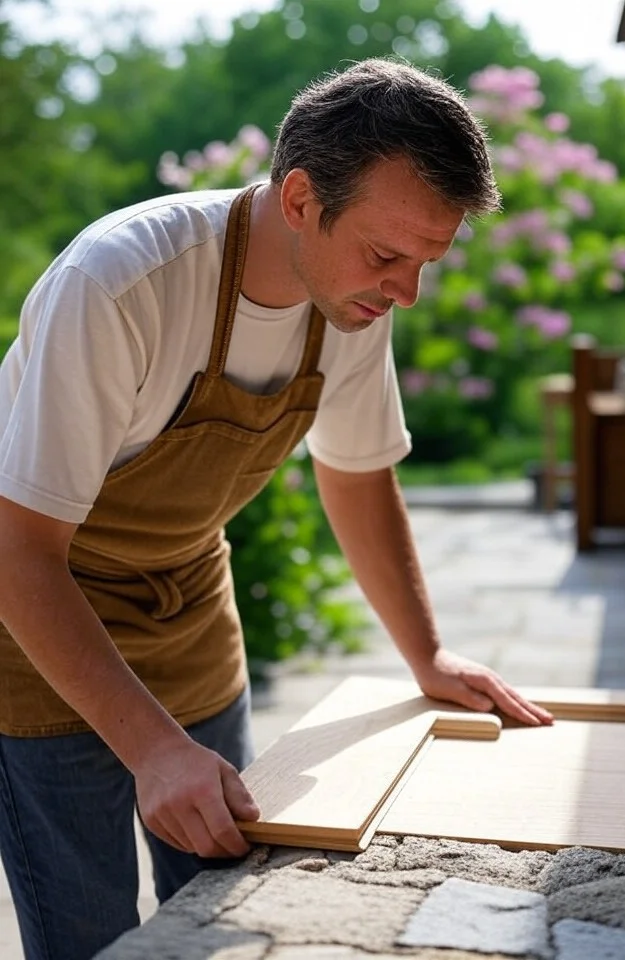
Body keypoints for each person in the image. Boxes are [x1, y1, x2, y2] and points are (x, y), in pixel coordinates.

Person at [0, 57, 553, 960]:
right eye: (387, 256)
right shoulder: (118, 284)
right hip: (41, 622)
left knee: (226, 916)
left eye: (427, 261)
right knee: (89, 936)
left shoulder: (351, 301)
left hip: (192, 610)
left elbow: (358, 474)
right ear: (299, 199)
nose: (404, 292)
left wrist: (429, 653)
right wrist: (153, 750)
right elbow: (17, 552)